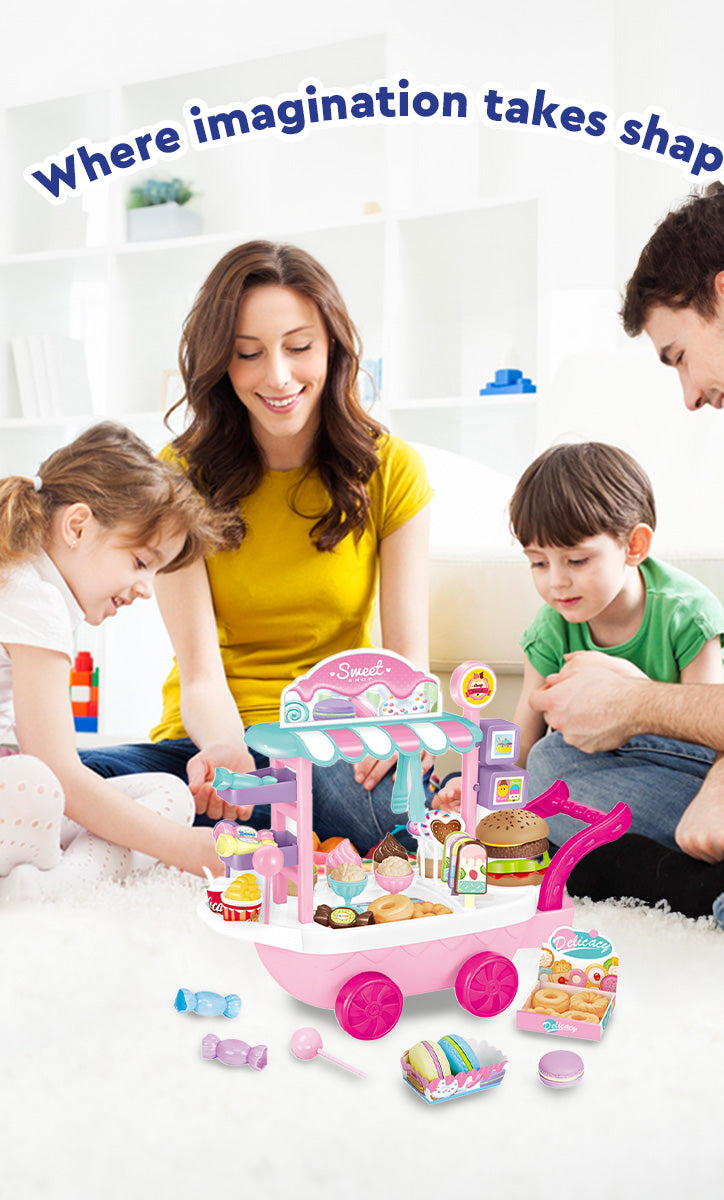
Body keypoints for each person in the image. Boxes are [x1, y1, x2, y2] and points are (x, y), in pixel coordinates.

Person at [79, 241, 433, 855]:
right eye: (248, 354)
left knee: (376, 807)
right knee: (65, 776)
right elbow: (199, 674)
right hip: (210, 743)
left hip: (334, 744)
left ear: (333, 348)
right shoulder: (181, 477)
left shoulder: (390, 468)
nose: (277, 376)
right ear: (221, 363)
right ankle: (204, 824)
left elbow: (407, 668)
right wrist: (225, 753)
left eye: (299, 347)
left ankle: (167, 834)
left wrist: (396, 729)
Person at [531, 183, 724, 934]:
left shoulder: (682, 609)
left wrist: (641, 704)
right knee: (557, 772)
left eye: (681, 356)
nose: (688, 396)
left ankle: (722, 887)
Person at [435, 441, 724, 818]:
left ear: (634, 545)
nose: (557, 582)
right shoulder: (551, 627)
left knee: (553, 765)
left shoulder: (688, 613)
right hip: (606, 774)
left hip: (690, 773)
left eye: (576, 560)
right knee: (549, 762)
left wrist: (633, 690)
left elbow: (710, 735)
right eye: (538, 563)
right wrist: (477, 782)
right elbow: (522, 748)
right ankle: (624, 843)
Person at [0, 422, 227, 899]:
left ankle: (44, 882)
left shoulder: (41, 591)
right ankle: (42, 881)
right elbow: (56, 768)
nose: (146, 588)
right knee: (39, 785)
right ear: (77, 525)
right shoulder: (32, 597)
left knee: (168, 794)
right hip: (20, 788)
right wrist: (184, 848)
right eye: (142, 563)